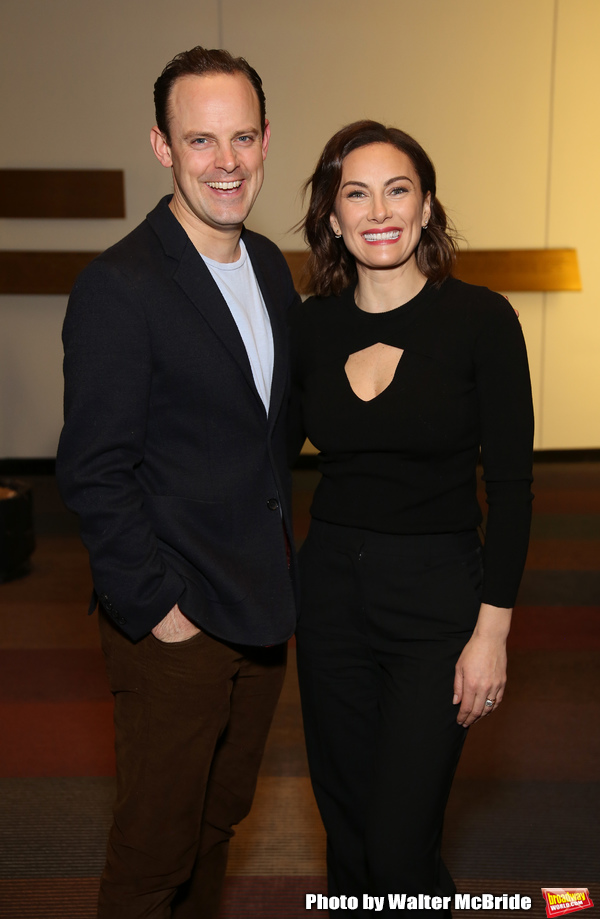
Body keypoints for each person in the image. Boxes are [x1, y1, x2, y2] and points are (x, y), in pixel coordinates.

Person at [56, 46, 299, 919]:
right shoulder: (120, 285)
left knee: (216, 825)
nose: (225, 162)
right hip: (177, 621)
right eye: (201, 140)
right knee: (154, 850)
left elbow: (268, 432)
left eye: (241, 137)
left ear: (267, 140)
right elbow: (92, 469)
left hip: (263, 607)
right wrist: (159, 609)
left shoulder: (271, 266)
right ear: (162, 145)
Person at [289, 121, 534, 915]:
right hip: (329, 601)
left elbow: (514, 485)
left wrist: (491, 631)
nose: (378, 210)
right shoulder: (311, 326)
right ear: (332, 216)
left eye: (398, 189)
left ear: (427, 207)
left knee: (399, 846)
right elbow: (258, 460)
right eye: (355, 193)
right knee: (351, 836)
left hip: (438, 607)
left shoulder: (481, 320)